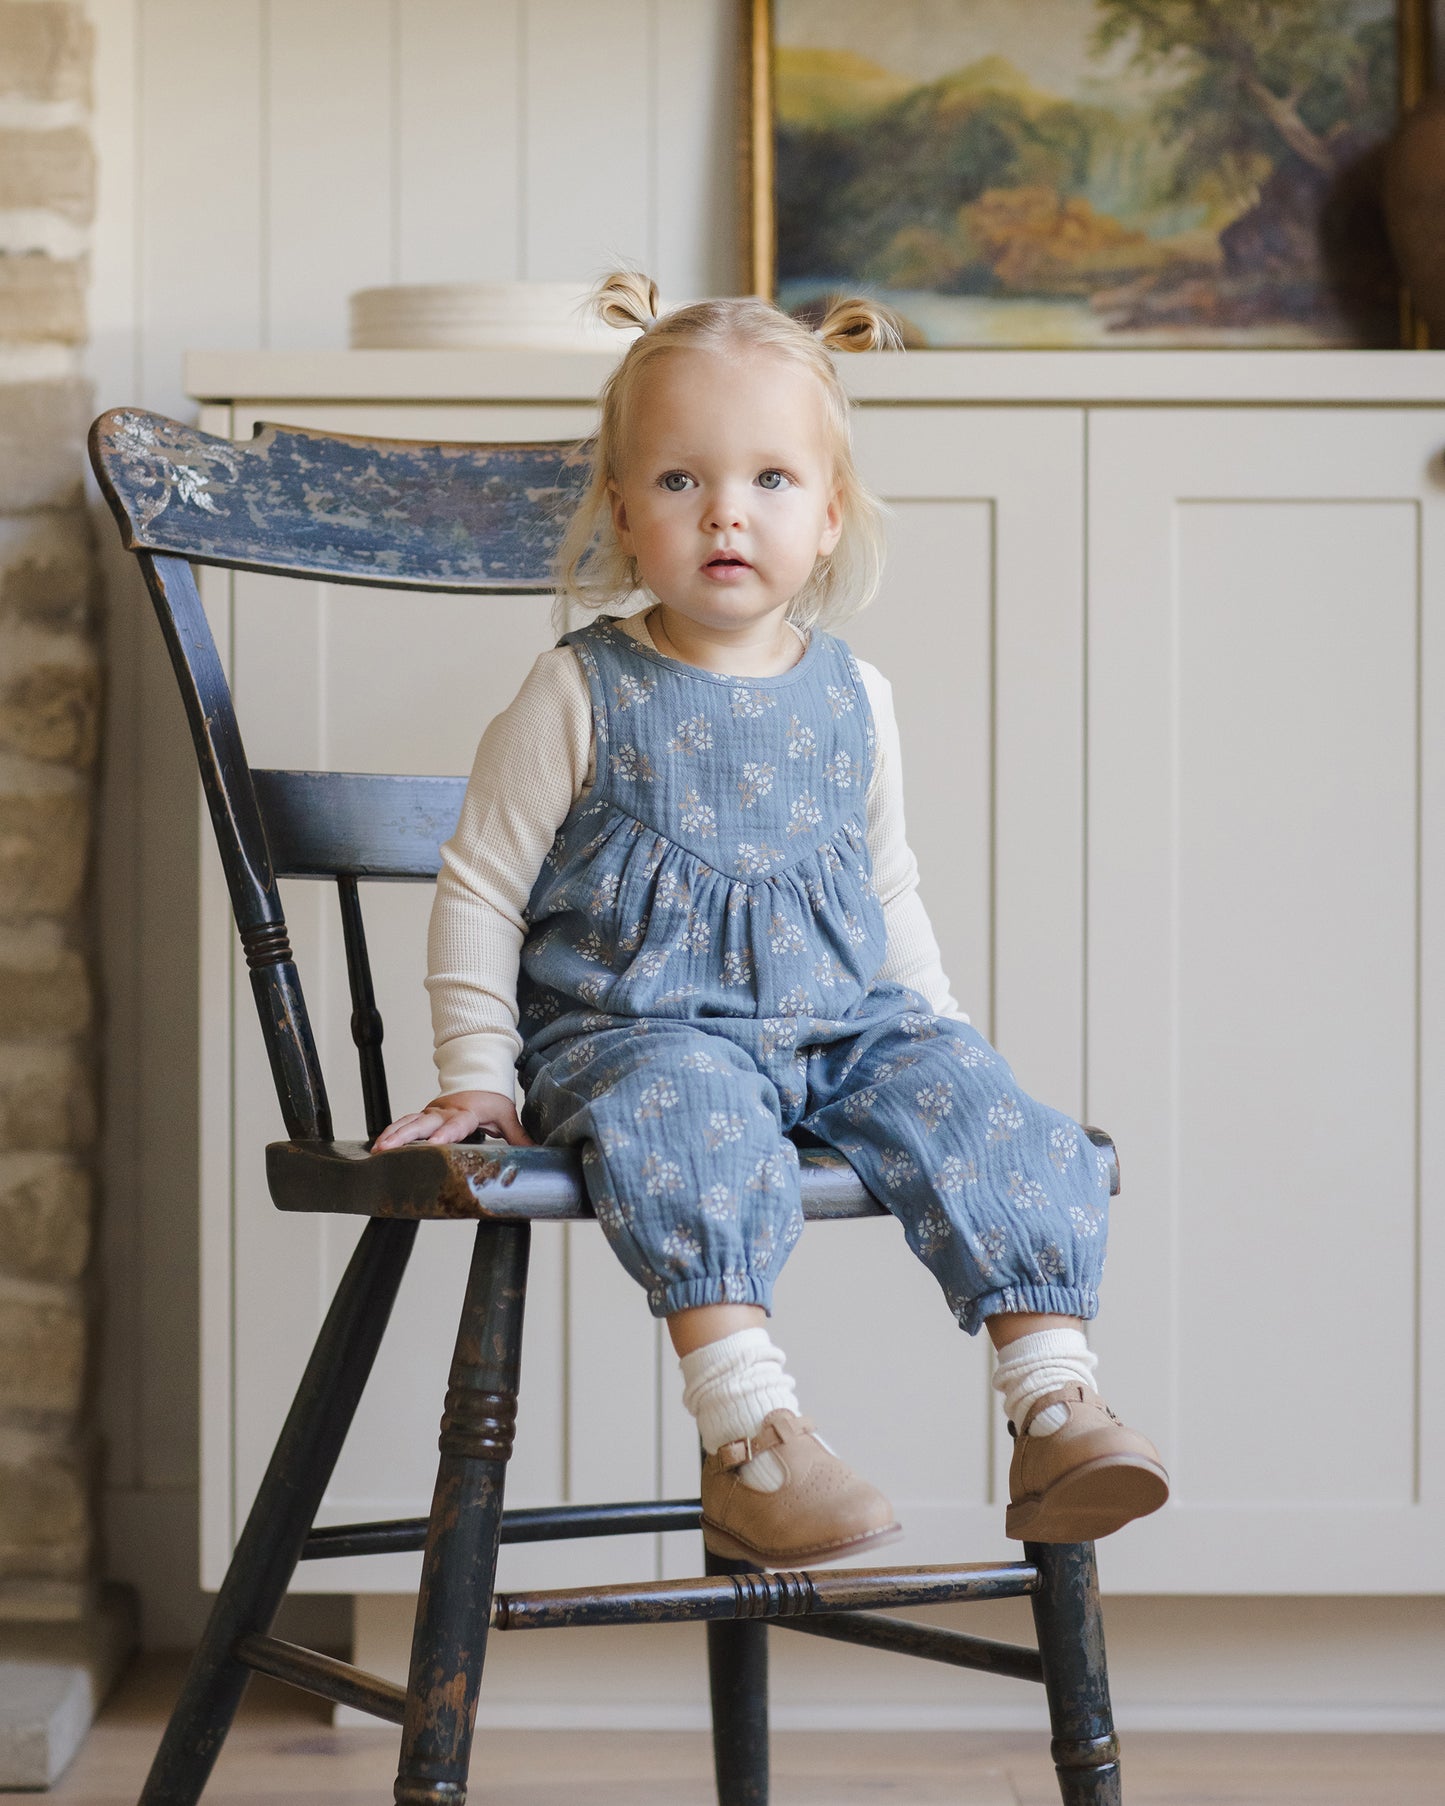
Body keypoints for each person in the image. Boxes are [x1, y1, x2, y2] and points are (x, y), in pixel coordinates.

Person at [372, 272, 1168, 1567]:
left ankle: (1054, 1406)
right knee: (688, 1122)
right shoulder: (580, 687)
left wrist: (942, 1043)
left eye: (769, 481)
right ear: (623, 512)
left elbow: (886, 886)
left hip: (844, 1027)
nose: (725, 511)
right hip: (639, 1035)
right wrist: (479, 1078)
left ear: (829, 512)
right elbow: (480, 884)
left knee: (994, 1114)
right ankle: (753, 1435)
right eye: (681, 479)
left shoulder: (856, 694)